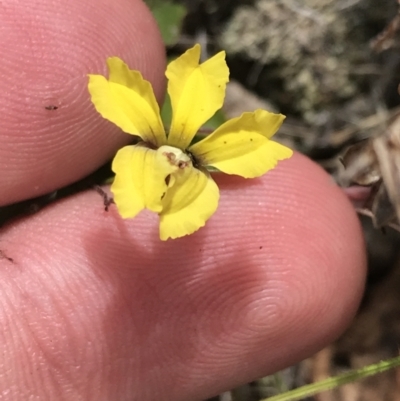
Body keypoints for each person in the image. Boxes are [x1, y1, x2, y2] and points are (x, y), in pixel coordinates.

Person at [0, 0, 366, 399]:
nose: (173, 160)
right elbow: (124, 122)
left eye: (177, 160)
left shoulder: (200, 158)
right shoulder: (140, 138)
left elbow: (247, 148)